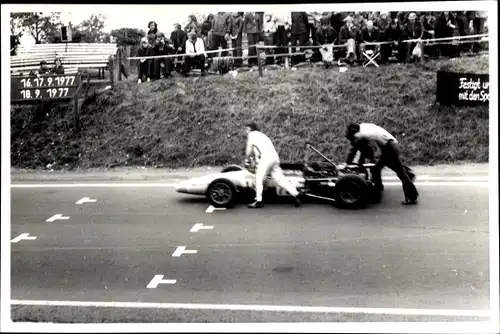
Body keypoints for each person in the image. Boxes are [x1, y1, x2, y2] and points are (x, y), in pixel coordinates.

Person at [345, 122, 418, 205]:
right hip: (390, 144)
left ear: (354, 132)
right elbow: (362, 150)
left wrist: (347, 164)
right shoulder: (363, 126)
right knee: (378, 168)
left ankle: (411, 197)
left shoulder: (361, 135)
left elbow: (354, 151)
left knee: (396, 172)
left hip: (389, 147)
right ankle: (378, 190)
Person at [245, 122, 302, 208]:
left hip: (266, 158)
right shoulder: (263, 136)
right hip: (274, 157)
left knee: (258, 178)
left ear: (250, 129)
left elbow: (249, 149)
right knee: (280, 178)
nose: (245, 131)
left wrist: (246, 159)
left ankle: (258, 200)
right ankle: (296, 194)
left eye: (246, 129)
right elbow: (258, 151)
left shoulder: (252, 135)